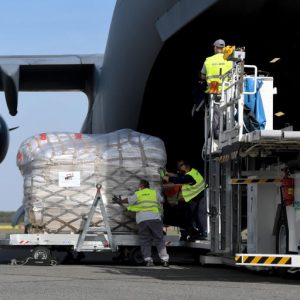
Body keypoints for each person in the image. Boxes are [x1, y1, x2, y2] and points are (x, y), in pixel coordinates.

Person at [120, 179, 169, 267]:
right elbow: (162, 201)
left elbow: (129, 200)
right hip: (154, 218)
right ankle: (164, 260)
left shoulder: (138, 194)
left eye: (139, 185)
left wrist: (121, 201)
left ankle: (148, 260)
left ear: (142, 186)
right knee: (159, 239)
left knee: (145, 240)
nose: (139, 187)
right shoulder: (154, 193)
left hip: (142, 220)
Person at [163, 160, 207, 241]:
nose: (178, 168)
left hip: (198, 197)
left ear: (185, 166)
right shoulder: (192, 171)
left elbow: (178, 180)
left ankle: (202, 233)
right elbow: (178, 176)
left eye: (180, 166)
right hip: (196, 197)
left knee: (198, 216)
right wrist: (167, 173)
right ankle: (196, 232)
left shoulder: (189, 177)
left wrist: (164, 177)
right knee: (193, 217)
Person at [199, 39, 233, 138]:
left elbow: (202, 76)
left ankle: (216, 133)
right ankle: (227, 129)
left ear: (215, 48)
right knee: (228, 110)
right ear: (223, 49)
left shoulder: (208, 60)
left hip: (214, 87)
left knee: (215, 112)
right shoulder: (229, 60)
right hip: (227, 88)